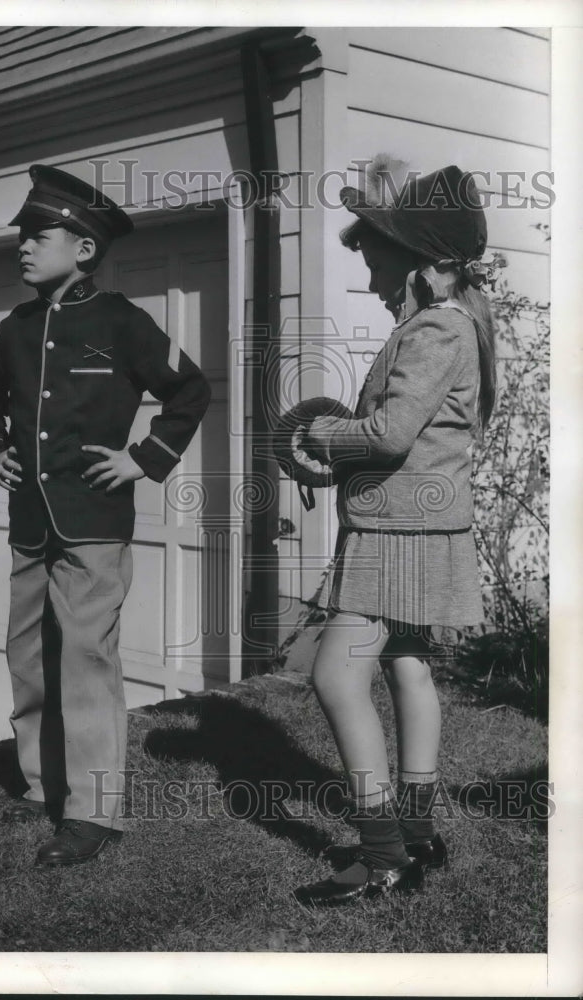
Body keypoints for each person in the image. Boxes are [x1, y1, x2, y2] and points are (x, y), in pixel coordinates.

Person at [0, 164, 211, 866]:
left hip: (94, 523)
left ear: (84, 248)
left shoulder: (122, 323)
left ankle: (94, 814)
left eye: (38, 235)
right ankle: (45, 789)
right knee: (30, 661)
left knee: (86, 661)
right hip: (31, 523)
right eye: (22, 236)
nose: (22, 247)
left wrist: (144, 458)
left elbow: (189, 389)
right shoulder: (15, 327)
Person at [291, 160, 502, 907]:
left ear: (421, 266)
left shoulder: (431, 330)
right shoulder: (452, 324)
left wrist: (321, 431)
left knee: (333, 672)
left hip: (393, 529)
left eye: (379, 261)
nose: (374, 278)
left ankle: (382, 856)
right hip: (423, 522)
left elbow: (387, 435)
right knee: (406, 664)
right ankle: (416, 832)